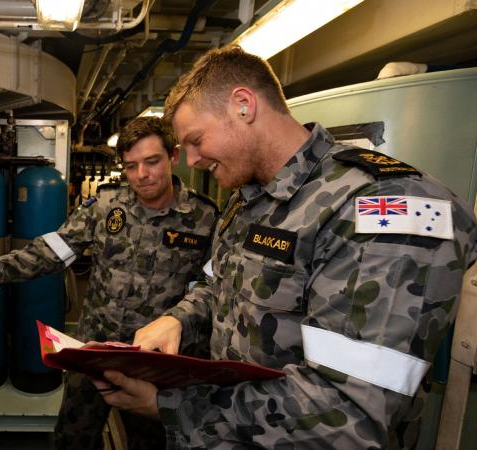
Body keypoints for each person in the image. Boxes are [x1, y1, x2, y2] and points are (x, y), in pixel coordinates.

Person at [95, 45, 477, 449]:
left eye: (196, 140)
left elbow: (346, 415)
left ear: (243, 105)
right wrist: (178, 320)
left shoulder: (383, 209)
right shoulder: (249, 198)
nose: (190, 160)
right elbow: (218, 284)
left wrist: (171, 407)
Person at [0, 116, 218, 449]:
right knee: (73, 437)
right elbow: (53, 251)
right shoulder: (106, 206)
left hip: (154, 361)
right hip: (95, 350)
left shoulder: (204, 217)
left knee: (151, 442)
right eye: (131, 166)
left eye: (152, 162)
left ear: (174, 157)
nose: (142, 175)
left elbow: (214, 288)